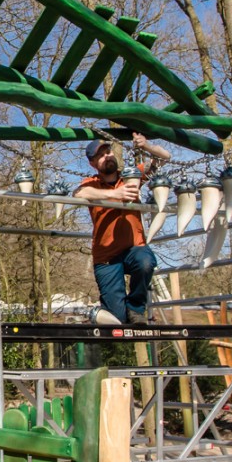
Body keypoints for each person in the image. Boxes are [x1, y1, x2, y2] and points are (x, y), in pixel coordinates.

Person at [75, 137, 170, 325]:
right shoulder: (91, 183)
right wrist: (114, 194)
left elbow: (165, 157)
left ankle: (135, 308)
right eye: (100, 156)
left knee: (146, 261)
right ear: (93, 163)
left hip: (133, 249)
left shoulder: (131, 176)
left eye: (108, 152)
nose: (106, 157)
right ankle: (97, 313)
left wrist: (146, 146)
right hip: (106, 257)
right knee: (116, 320)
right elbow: (79, 194)